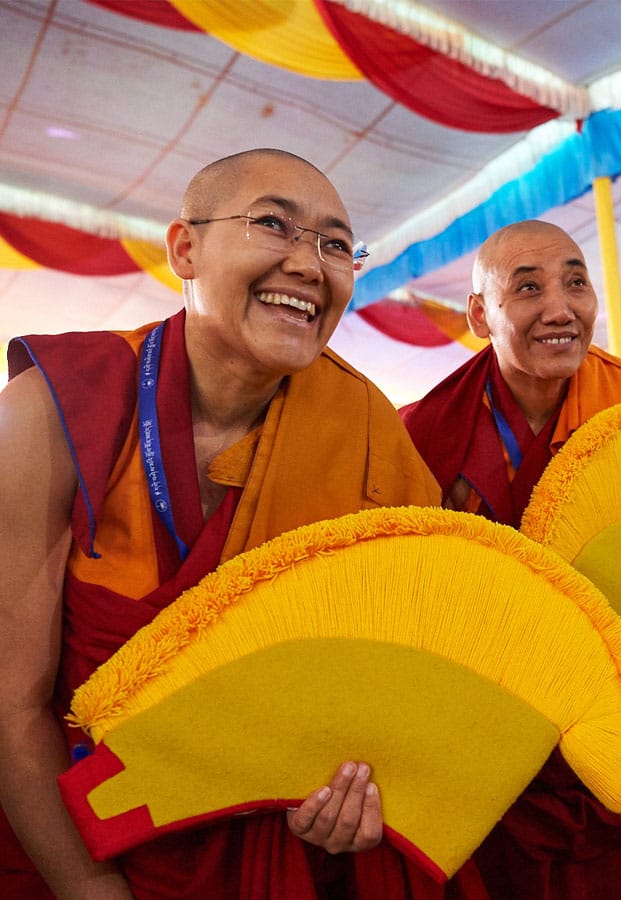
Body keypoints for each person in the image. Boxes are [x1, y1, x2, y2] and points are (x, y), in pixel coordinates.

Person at [0, 148, 459, 900]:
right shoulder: (55, 410)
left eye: (336, 245)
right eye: (275, 225)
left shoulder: (367, 428)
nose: (310, 266)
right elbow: (11, 704)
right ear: (185, 247)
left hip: (280, 853)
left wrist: (365, 784)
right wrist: (91, 889)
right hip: (77, 842)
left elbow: (408, 675)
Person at [401, 218, 621, 898]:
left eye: (575, 282)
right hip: (490, 748)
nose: (559, 309)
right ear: (480, 313)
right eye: (527, 288)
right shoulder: (421, 433)